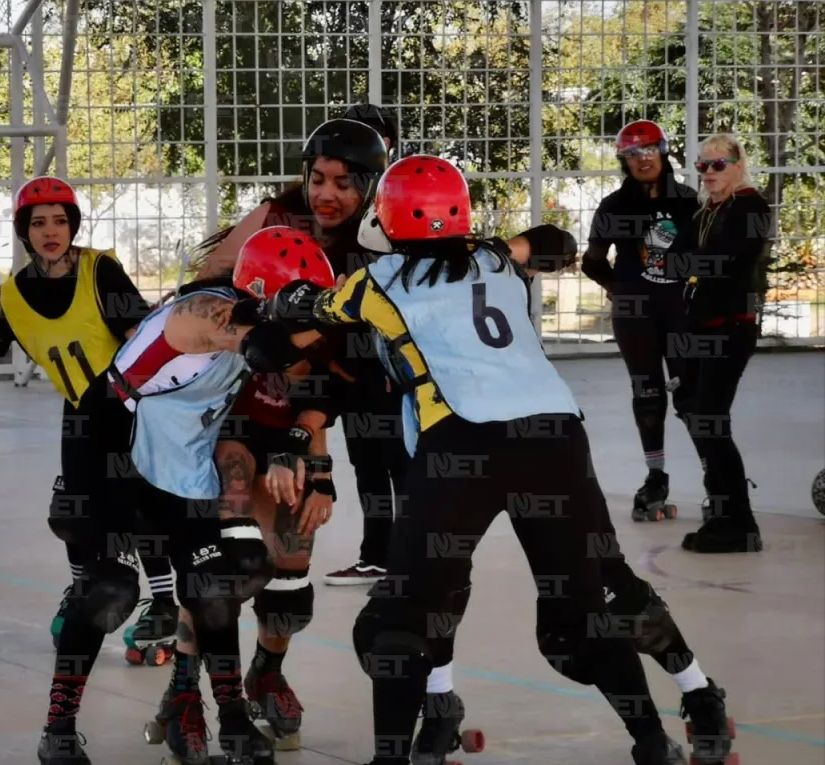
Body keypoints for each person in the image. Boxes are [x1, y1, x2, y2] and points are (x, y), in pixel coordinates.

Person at [257, 156, 694, 765]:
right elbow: (556, 242)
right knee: (579, 621)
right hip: (556, 438)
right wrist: (510, 243)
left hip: (464, 444)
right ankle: (654, 743)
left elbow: (300, 319)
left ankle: (393, 757)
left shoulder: (380, 279)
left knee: (396, 620)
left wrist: (278, 302)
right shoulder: (493, 259)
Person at [32, 226, 333, 765]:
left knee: (216, 585)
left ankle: (233, 720)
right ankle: (58, 727)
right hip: (108, 444)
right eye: (296, 308)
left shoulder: (262, 320)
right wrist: (329, 318)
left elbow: (312, 376)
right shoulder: (203, 311)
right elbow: (262, 347)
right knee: (109, 591)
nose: (303, 326)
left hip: (179, 455)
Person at [0, 175, 178, 659]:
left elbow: (141, 336)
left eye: (60, 221)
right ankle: (82, 591)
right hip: (79, 410)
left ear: (73, 226)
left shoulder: (100, 272)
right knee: (70, 514)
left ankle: (164, 603)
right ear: (25, 230)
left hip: (128, 406)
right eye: (39, 223)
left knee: (135, 509)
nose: (51, 231)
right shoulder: (19, 289)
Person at [195, 115, 405, 587]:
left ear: (370, 188)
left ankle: (402, 567)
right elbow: (205, 289)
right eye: (317, 179)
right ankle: (182, 606)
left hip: (340, 380)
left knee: (394, 460)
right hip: (258, 381)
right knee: (236, 538)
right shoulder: (276, 215)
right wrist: (258, 318)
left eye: (343, 184)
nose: (325, 195)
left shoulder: (382, 243)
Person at [582, 120, 705, 522]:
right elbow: (592, 261)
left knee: (693, 396)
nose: (643, 158)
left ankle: (715, 477)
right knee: (648, 395)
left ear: (664, 150)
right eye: (634, 153)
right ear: (624, 161)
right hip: (635, 316)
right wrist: (621, 290)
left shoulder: (688, 201)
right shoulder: (614, 207)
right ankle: (656, 477)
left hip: (680, 311)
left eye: (650, 149)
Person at [674, 134, 771, 554]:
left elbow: (728, 260)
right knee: (695, 412)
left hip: (730, 326)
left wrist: (683, 262)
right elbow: (679, 258)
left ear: (737, 164)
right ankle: (722, 508)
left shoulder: (750, 205)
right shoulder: (707, 211)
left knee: (711, 419)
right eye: (702, 166)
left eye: (718, 165)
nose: (709, 173)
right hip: (700, 325)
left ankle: (740, 522)